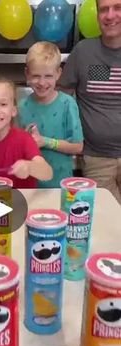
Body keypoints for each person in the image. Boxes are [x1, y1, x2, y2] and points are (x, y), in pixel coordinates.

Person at [58, 0, 121, 204]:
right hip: (97, 159)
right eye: (104, 9)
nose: (110, 15)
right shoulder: (84, 52)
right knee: (107, 222)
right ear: (97, 16)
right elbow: (62, 100)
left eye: (117, 8)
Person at [0, 77, 53, 189]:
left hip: (23, 203)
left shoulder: (24, 140)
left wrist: (30, 167)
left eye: (3, 104)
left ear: (13, 111)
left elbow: (47, 173)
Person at [17, 41, 84, 188]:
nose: (42, 82)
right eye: (36, 76)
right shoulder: (21, 107)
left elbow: (78, 146)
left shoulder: (67, 104)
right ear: (27, 73)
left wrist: (44, 141)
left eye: (48, 76)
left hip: (59, 186)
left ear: (58, 74)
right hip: (29, 186)